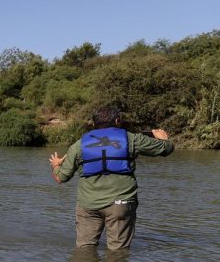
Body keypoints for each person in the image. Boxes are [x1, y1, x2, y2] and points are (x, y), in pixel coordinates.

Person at [49, 106, 174, 250]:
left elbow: (60, 178)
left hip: (88, 205)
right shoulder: (131, 139)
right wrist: (165, 140)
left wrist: (56, 165)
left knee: (84, 249)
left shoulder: (78, 146)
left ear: (94, 124)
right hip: (120, 203)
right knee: (118, 252)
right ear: (117, 121)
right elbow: (166, 149)